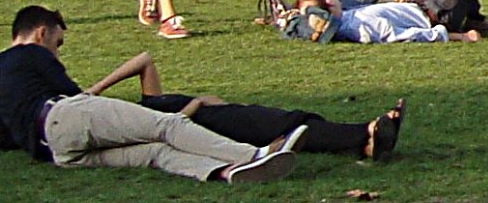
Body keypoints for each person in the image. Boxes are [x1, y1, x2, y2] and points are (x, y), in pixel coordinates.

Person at [0, 6, 300, 184]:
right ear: (42, 33)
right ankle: (255, 155)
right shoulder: (33, 53)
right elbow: (73, 94)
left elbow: (1, 136)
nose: (56, 52)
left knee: (156, 154)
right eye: (58, 44)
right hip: (65, 116)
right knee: (166, 125)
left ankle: (227, 172)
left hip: (58, 154)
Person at [106, 51, 406, 161]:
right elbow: (164, 131)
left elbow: (144, 60)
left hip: (223, 114)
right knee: (291, 125)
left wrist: (95, 90)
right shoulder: (139, 120)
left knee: (294, 125)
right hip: (217, 125)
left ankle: (365, 143)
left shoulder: (148, 101)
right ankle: (366, 132)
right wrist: (195, 104)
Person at [296, 0, 481, 43]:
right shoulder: (359, 27)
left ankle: (475, 17)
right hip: (435, 15)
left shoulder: (345, 16)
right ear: (329, 2)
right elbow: (404, 35)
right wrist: (461, 36)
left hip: (418, 2)